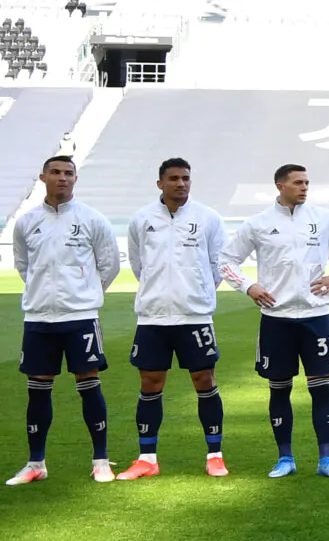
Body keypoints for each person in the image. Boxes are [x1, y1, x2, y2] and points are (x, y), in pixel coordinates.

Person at [221, 163, 329, 478]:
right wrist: (249, 286)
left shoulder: (322, 218)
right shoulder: (258, 224)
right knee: (279, 389)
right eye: (298, 182)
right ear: (280, 186)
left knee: (321, 388)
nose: (304, 187)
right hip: (276, 318)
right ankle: (285, 458)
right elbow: (226, 260)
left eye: (307, 182)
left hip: (315, 317)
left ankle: (326, 459)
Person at [8, 155, 120, 486]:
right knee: (38, 389)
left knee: (89, 385)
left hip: (80, 317)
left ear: (75, 179)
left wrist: (85, 295)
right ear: (43, 177)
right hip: (39, 318)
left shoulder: (92, 219)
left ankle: (101, 460)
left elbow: (109, 265)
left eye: (69, 173)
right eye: (56, 172)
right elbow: (22, 264)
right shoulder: (27, 222)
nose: (62, 178)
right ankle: (35, 463)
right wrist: (43, 294)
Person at [119, 157, 228, 479]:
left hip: (194, 315)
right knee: (150, 382)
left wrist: (195, 293)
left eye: (185, 178)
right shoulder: (142, 219)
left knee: (204, 380)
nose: (180, 184)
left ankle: (215, 455)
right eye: (174, 178)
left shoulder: (208, 218)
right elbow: (139, 265)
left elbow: (217, 266)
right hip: (153, 317)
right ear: (160, 183)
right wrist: (158, 293)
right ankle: (147, 458)